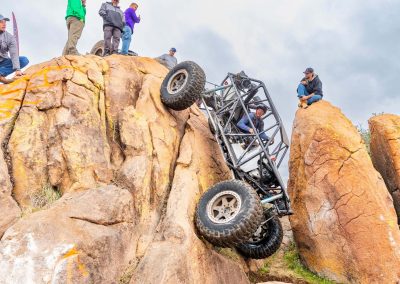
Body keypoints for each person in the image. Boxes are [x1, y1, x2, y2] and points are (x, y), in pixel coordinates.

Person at [0, 14, 29, 84]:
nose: (4, 24)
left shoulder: (10, 37)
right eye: (1, 22)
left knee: (24, 60)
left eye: (5, 22)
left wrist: (17, 69)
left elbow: (14, 54)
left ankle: (1, 73)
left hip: (3, 61)